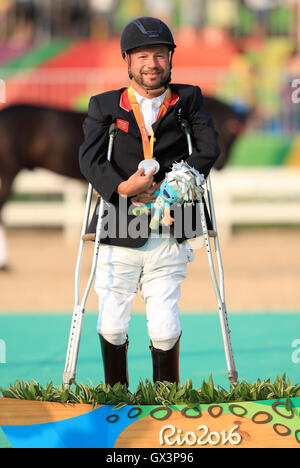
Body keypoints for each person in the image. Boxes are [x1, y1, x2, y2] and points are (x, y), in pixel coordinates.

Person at [79, 17, 220, 388]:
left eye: (159, 55)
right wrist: (122, 187)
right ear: (128, 61)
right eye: (142, 56)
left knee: (163, 323)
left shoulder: (188, 99)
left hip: (172, 222)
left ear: (170, 59)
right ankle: (117, 398)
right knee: (110, 320)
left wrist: (176, 184)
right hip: (119, 222)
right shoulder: (105, 105)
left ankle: (166, 402)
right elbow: (90, 160)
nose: (151, 64)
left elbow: (208, 149)